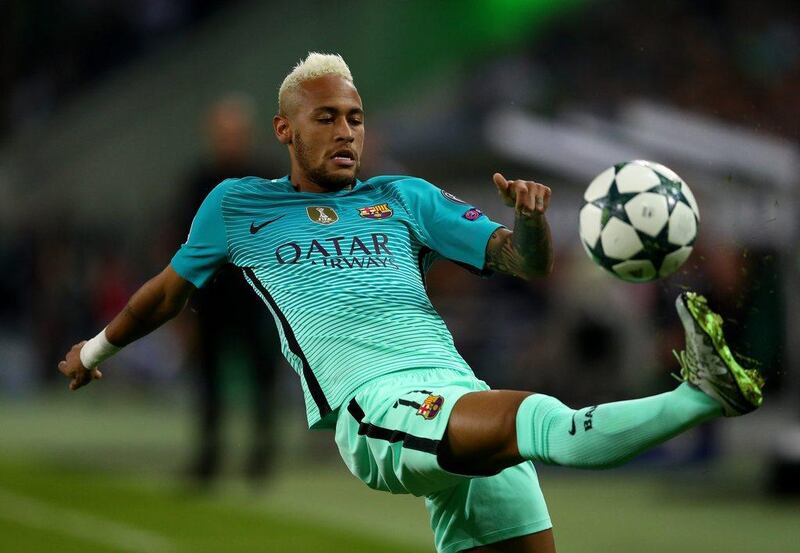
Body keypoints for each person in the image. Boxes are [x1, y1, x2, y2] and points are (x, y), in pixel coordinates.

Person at [58, 53, 764, 553]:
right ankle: (702, 395)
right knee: (542, 420)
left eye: (356, 118)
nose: (346, 132)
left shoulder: (403, 198)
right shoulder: (238, 206)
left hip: (457, 392)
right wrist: (96, 351)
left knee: (520, 443)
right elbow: (165, 293)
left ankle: (703, 393)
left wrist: (527, 223)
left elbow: (524, 262)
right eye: (327, 117)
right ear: (285, 130)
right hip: (377, 408)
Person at [176, 95, 282, 485]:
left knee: (262, 381)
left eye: (236, 134)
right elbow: (180, 245)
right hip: (210, 299)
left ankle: (261, 457)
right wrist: (182, 309)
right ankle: (209, 456)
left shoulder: (266, 182)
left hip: (256, 300)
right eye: (224, 134)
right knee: (208, 385)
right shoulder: (197, 183)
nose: (230, 141)